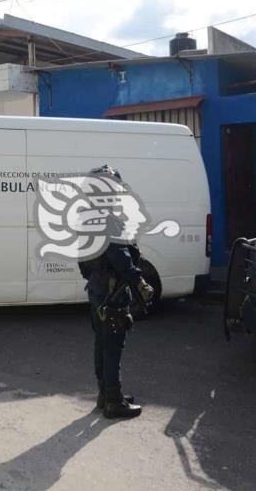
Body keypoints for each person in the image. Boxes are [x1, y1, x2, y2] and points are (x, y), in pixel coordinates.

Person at [78, 165, 155, 420]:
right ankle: (114, 401)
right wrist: (139, 282)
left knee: (102, 343)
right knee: (112, 346)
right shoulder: (110, 219)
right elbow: (120, 256)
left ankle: (105, 393)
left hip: (97, 290)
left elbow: (84, 261)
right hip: (112, 292)